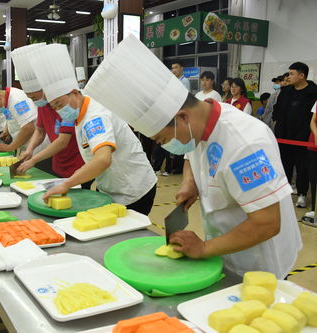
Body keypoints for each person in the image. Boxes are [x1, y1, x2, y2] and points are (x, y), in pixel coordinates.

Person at [84, 34, 301, 278]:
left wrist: (204, 247)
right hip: (223, 249)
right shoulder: (199, 123)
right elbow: (191, 156)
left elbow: (267, 223)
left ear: (183, 117)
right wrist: (190, 183)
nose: (167, 147)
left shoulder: (247, 145)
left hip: (259, 260)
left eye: (164, 140)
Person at [31, 43, 157, 215]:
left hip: (133, 189)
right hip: (110, 186)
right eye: (54, 107)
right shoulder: (80, 110)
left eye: (60, 104)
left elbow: (103, 159)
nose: (59, 111)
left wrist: (66, 183)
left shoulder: (95, 116)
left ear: (75, 93)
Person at [11, 43, 86, 180]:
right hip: (58, 162)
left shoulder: (65, 104)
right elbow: (40, 131)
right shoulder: (43, 104)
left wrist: (34, 160)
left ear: (44, 90)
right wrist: (29, 150)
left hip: (78, 163)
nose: (34, 101)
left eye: (34, 97)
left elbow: (63, 141)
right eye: (30, 98)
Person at [273, 62, 317, 208]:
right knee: (284, 166)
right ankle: (283, 194)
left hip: (303, 139)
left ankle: (302, 194)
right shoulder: (286, 92)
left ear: (302, 75)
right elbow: (277, 110)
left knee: (302, 167)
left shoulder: (313, 92)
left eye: (292, 74)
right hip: (284, 136)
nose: (289, 76)